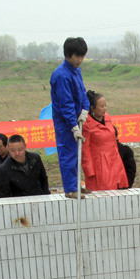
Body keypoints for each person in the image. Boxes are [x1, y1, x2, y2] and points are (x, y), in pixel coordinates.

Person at [50, 37, 90, 198]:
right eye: (77, 56)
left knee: (77, 153)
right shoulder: (61, 75)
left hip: (77, 118)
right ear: (68, 55)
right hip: (65, 123)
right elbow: (65, 103)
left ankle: (77, 184)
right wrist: (73, 126)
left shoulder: (76, 71)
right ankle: (70, 189)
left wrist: (85, 109)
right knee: (68, 154)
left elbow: (82, 92)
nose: (80, 60)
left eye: (82, 56)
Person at [81, 90, 128, 190]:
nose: (104, 109)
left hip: (115, 161)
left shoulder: (107, 118)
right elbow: (85, 150)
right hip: (100, 165)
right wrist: (89, 171)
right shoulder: (86, 124)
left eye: (105, 105)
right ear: (93, 108)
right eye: (101, 106)